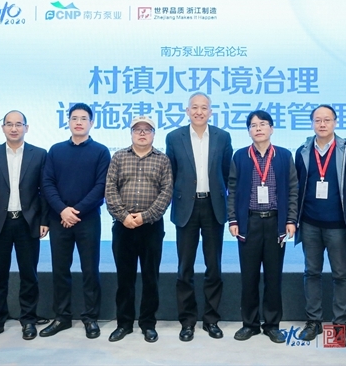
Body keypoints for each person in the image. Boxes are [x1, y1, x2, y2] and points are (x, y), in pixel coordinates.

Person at [0, 110, 48, 343]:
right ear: (3, 128)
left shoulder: (40, 154)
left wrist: (44, 220)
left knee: (29, 275)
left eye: (19, 124)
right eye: (9, 124)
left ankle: (29, 320)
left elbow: (44, 192)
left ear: (27, 128)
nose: (14, 128)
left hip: (28, 222)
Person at [166, 92, 233, 342]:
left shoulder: (222, 137)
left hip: (213, 206)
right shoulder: (174, 137)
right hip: (186, 208)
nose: (199, 111)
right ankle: (187, 321)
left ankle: (211, 319)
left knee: (213, 266)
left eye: (204, 107)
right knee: (185, 267)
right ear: (187, 111)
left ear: (211, 112)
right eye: (194, 107)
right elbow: (171, 173)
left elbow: (226, 173)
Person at [40, 103, 111, 339]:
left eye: (83, 118)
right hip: (59, 219)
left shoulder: (101, 151)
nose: (78, 122)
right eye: (74, 118)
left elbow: (101, 186)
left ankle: (90, 318)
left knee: (90, 270)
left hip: (88, 219)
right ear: (68, 122)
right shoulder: (56, 150)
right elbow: (47, 183)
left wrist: (76, 211)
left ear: (92, 123)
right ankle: (62, 317)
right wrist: (62, 210)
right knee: (60, 270)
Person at [228, 110, 297, 344]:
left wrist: (291, 220)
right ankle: (249, 324)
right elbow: (232, 190)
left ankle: (272, 325)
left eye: (263, 124)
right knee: (249, 277)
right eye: (253, 125)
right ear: (248, 131)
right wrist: (233, 219)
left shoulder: (284, 155)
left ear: (272, 128)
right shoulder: (240, 156)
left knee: (273, 277)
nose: (258, 128)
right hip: (249, 223)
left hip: (276, 222)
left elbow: (293, 189)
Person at [294, 104, 346, 347]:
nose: (322, 124)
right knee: (311, 272)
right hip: (310, 224)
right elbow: (298, 186)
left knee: (341, 275)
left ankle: (340, 326)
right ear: (312, 123)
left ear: (335, 122)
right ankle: (313, 321)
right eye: (317, 120)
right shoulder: (302, 151)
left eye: (327, 120)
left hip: (338, 226)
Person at [105, 116, 172, 343]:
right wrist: (124, 216)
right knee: (125, 278)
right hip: (123, 226)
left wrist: (145, 216)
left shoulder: (162, 160)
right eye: (137, 129)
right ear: (131, 133)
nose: (142, 133)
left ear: (154, 134)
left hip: (151, 227)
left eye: (147, 130)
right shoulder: (118, 157)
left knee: (150, 278)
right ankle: (124, 324)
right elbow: (110, 189)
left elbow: (166, 192)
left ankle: (148, 324)